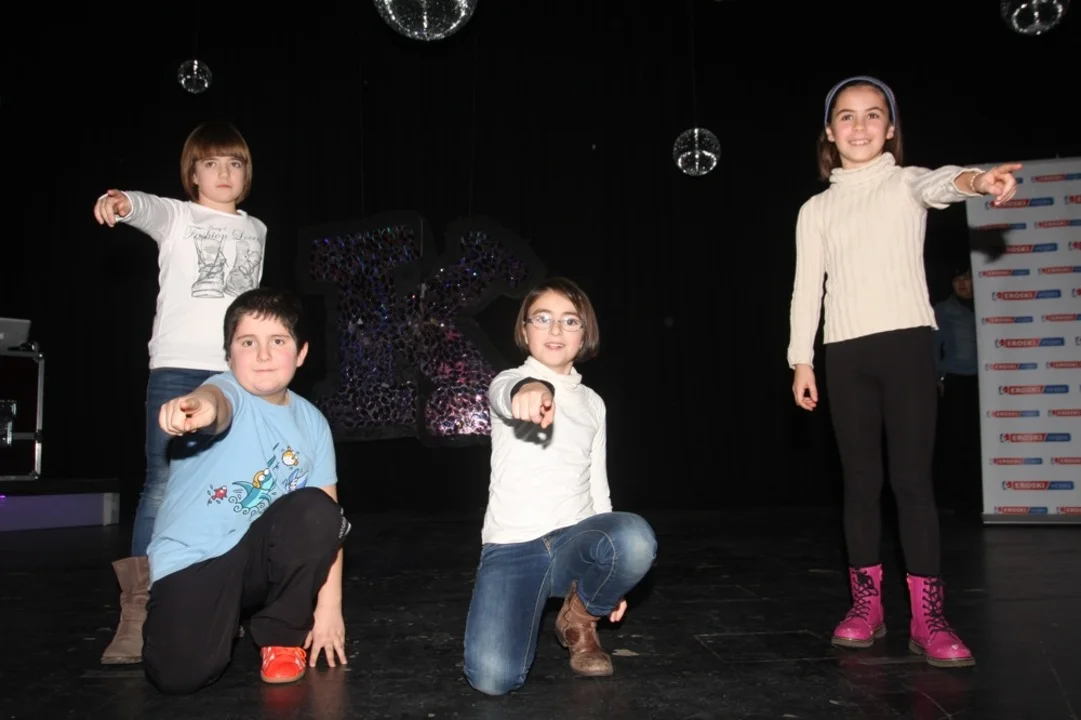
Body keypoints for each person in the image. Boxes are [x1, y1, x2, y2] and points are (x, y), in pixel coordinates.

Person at [787, 75, 1019, 668]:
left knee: (913, 484)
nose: (859, 125)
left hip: (909, 347)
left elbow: (945, 182)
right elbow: (806, 288)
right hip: (845, 354)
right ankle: (866, 608)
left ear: (890, 129)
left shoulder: (905, 183)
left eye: (873, 114)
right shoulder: (816, 210)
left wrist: (979, 181)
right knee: (860, 484)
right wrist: (801, 359)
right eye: (846, 115)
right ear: (829, 132)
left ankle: (929, 619)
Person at [93, 121, 268, 664]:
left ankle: (215, 602)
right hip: (176, 369)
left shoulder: (257, 229)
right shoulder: (177, 215)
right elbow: (143, 207)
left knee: (230, 488)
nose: (224, 173)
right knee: (164, 485)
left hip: (235, 377)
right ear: (193, 174)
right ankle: (138, 613)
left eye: (234, 163)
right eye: (211, 164)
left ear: (246, 173)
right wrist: (120, 202)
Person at [142, 287, 349, 694]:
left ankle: (282, 636)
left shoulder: (313, 423)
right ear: (229, 355)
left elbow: (331, 525)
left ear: (301, 353)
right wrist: (200, 408)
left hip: (256, 561)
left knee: (318, 511)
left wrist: (329, 609)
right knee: (179, 676)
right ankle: (196, 614)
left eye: (279, 341)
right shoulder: (226, 390)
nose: (263, 355)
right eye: (248, 342)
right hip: (194, 561)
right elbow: (216, 403)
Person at [462, 277, 657, 695]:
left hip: (574, 542)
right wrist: (530, 389)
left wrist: (612, 578)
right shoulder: (508, 381)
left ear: (584, 334)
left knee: (635, 537)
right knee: (492, 680)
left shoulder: (593, 403)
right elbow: (506, 393)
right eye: (543, 319)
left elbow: (598, 484)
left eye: (570, 321)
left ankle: (579, 619)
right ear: (524, 330)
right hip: (513, 548)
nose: (555, 330)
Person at [932, 266, 982, 514]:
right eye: (956, 279)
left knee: (982, 440)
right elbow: (934, 346)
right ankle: (955, 497)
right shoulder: (944, 309)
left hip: (991, 381)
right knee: (956, 439)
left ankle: (982, 495)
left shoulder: (992, 306)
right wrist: (937, 377)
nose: (962, 283)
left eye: (967, 278)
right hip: (958, 380)